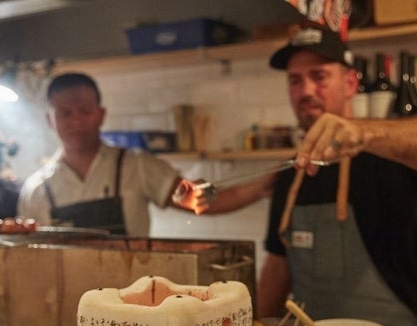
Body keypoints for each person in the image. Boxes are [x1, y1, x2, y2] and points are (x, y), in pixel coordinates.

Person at [257, 27, 417, 326]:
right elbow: (279, 263)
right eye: (295, 80)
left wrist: (364, 133)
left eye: (319, 76)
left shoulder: (389, 154)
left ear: (351, 84)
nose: (306, 90)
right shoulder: (294, 170)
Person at [18, 72, 269, 235]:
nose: (76, 122)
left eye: (84, 110)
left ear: (101, 114)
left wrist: (261, 187)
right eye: (65, 113)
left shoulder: (135, 166)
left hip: (131, 303)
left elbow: (197, 200)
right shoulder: (36, 190)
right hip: (68, 307)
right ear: (49, 120)